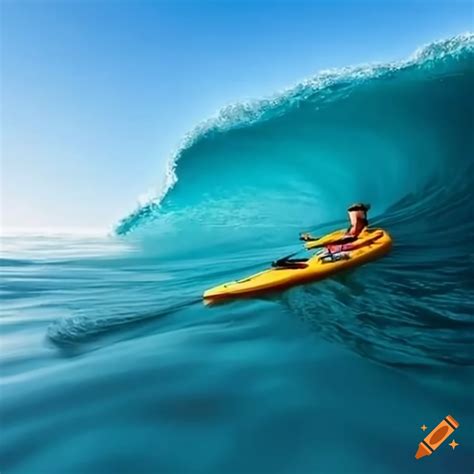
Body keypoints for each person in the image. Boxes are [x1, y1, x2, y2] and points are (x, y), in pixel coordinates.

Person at [300, 203, 371, 242]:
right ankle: (311, 239)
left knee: (329, 238)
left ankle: (310, 239)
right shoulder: (361, 215)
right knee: (331, 239)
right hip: (351, 233)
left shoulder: (356, 215)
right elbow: (363, 224)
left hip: (351, 231)